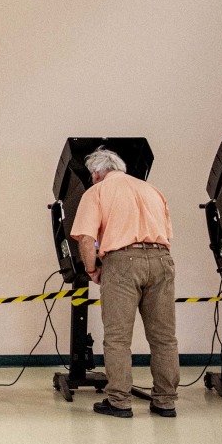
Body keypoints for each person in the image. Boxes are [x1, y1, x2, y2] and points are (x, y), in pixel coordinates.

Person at [70, 148, 178, 418]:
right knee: (164, 338)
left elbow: (85, 238)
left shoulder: (96, 192)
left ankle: (120, 401)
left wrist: (92, 268)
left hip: (123, 261)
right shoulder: (152, 190)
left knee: (118, 338)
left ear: (96, 174)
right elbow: (166, 233)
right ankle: (165, 401)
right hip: (162, 259)